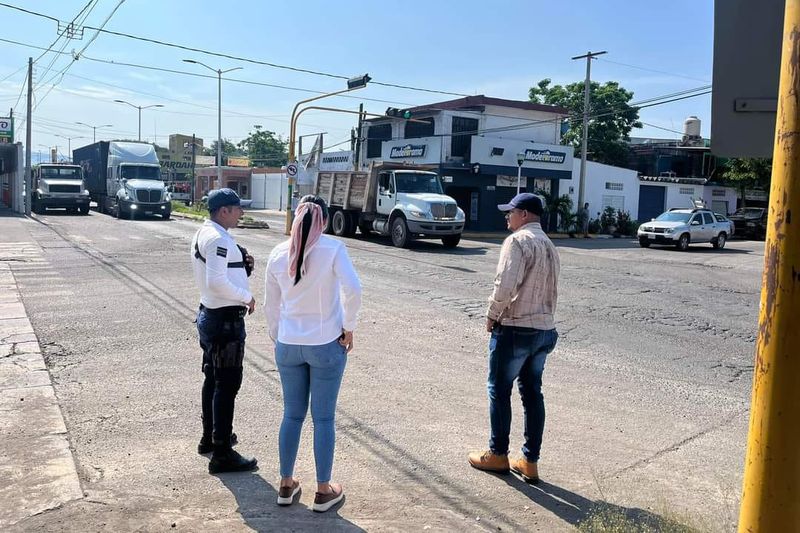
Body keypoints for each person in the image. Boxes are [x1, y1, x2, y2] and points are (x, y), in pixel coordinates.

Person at [264, 195, 362, 512]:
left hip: (288, 344)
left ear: (295, 218)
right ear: (323, 218)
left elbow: (271, 306)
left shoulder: (278, 253)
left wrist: (279, 337)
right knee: (323, 418)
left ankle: (285, 484)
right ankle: (323, 490)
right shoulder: (333, 249)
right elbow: (354, 288)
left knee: (292, 414)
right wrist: (349, 327)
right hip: (325, 344)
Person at [468, 192, 560, 485]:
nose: (507, 217)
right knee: (533, 393)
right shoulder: (549, 245)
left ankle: (498, 454)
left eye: (510, 212)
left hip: (516, 328)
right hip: (543, 329)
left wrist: (492, 314)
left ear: (524, 214)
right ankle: (529, 461)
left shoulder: (517, 241)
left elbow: (505, 284)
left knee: (499, 388)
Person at [191, 188, 258, 474]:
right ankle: (222, 452)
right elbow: (217, 281)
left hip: (210, 314)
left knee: (213, 380)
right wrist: (246, 296)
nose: (241, 213)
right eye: (237, 208)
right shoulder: (218, 238)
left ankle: (211, 437)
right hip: (225, 321)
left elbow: (219, 273)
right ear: (224, 211)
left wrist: (243, 267)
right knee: (227, 385)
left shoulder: (205, 232)